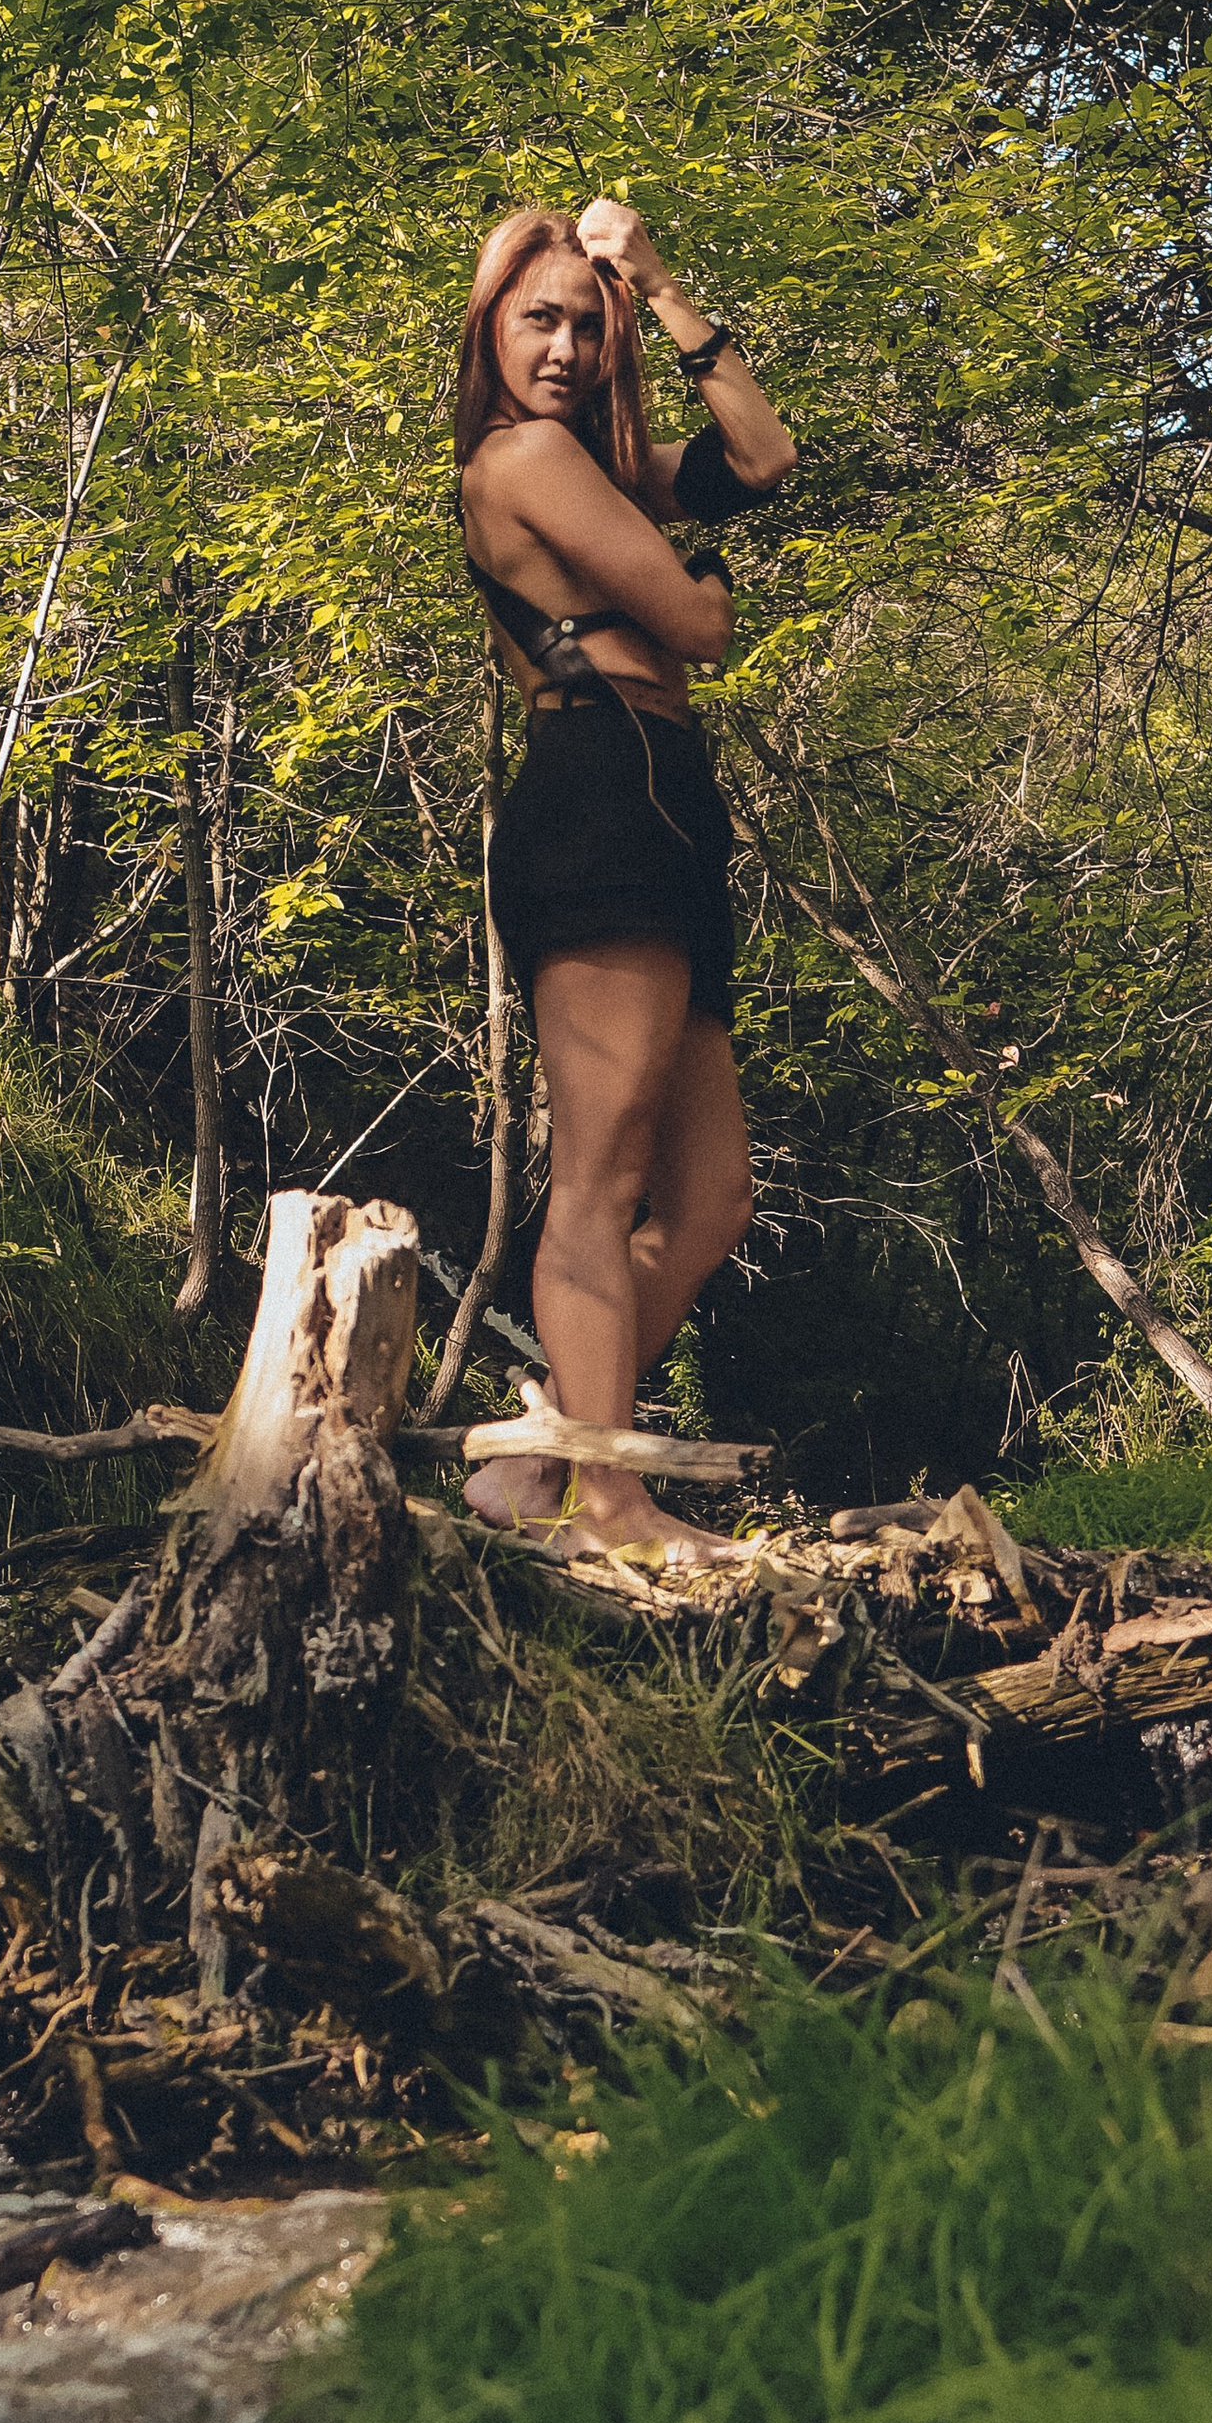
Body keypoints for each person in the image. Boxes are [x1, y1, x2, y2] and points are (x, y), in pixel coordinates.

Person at [452, 196, 796, 1558]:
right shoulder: (524, 458)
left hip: (667, 807)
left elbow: (762, 459)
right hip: (595, 798)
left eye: (587, 325)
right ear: (488, 328)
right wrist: (698, 584)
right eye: (540, 318)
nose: (565, 347)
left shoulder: (593, 463)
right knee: (599, 1182)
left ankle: (544, 1454)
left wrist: (657, 280)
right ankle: (612, 1505)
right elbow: (702, 625)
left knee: (710, 1198)